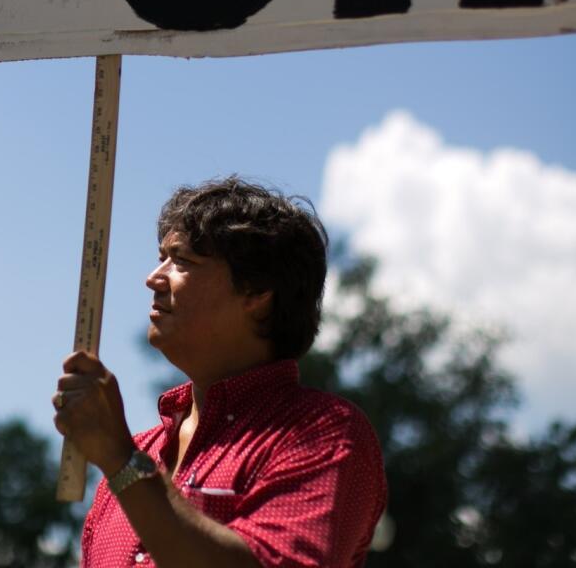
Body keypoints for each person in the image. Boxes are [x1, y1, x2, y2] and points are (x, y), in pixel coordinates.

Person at [53, 177, 387, 568]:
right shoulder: (139, 453)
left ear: (257, 293)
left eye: (183, 261)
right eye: (161, 257)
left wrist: (123, 463)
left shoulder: (323, 432)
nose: (154, 278)